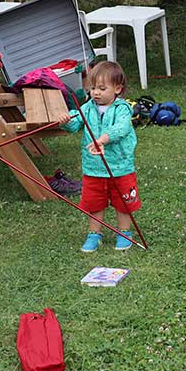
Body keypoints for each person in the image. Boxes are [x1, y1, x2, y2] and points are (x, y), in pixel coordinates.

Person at [55, 61, 140, 253]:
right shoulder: (87, 108)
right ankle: (94, 234)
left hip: (120, 167)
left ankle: (124, 232)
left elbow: (121, 128)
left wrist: (103, 139)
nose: (96, 93)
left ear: (117, 89)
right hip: (93, 168)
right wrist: (65, 121)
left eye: (102, 88)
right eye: (93, 88)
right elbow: (75, 124)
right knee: (94, 203)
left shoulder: (123, 109)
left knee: (123, 202)